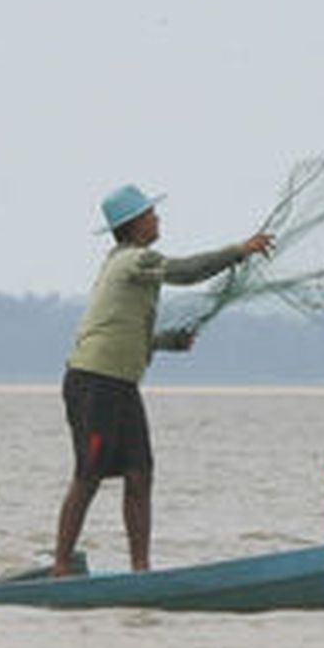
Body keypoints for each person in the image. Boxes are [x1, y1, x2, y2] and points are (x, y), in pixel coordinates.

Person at [52, 184, 274, 576]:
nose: (157, 219)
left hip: (120, 384)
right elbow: (186, 272)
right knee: (88, 474)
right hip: (93, 383)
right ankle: (61, 565)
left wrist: (168, 342)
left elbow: (124, 330)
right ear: (134, 225)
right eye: (151, 214)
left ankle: (141, 570)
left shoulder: (132, 264)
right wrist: (238, 251)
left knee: (140, 474)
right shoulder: (134, 261)